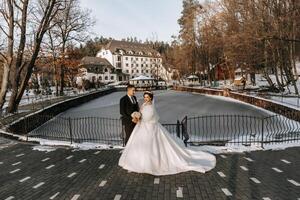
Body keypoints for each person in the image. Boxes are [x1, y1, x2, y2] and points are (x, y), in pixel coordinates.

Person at [119, 91, 216, 176]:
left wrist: (139, 117)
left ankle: (151, 164)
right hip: (143, 127)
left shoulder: (151, 107)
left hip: (150, 128)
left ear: (151, 98)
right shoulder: (144, 105)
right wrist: (137, 115)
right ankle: (138, 162)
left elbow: (147, 118)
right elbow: (141, 114)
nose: (145, 99)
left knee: (152, 146)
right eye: (144, 97)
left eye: (147, 97)